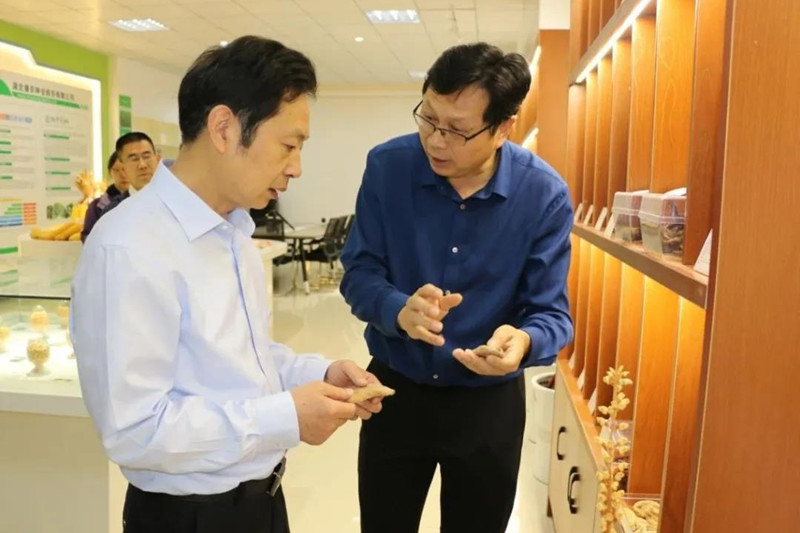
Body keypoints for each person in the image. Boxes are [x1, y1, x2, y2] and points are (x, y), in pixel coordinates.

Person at [71, 36, 384, 533]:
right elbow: (136, 429)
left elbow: (246, 358)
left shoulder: (235, 232)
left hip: (262, 501)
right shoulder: (130, 246)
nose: (296, 167)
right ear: (224, 128)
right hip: (190, 517)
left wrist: (319, 373)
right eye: (289, 145)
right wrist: (285, 417)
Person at [340, 42, 574, 533]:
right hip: (395, 389)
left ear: (504, 128)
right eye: (428, 118)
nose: (436, 140)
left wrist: (523, 341)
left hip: (487, 404)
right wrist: (398, 310)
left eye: (457, 130)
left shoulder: (542, 195)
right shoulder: (388, 167)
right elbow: (359, 271)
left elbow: (552, 314)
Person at [80, 151, 128, 242]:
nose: (122, 175)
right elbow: (87, 235)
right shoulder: (96, 206)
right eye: (116, 170)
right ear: (110, 172)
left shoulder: (144, 200)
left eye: (125, 169)